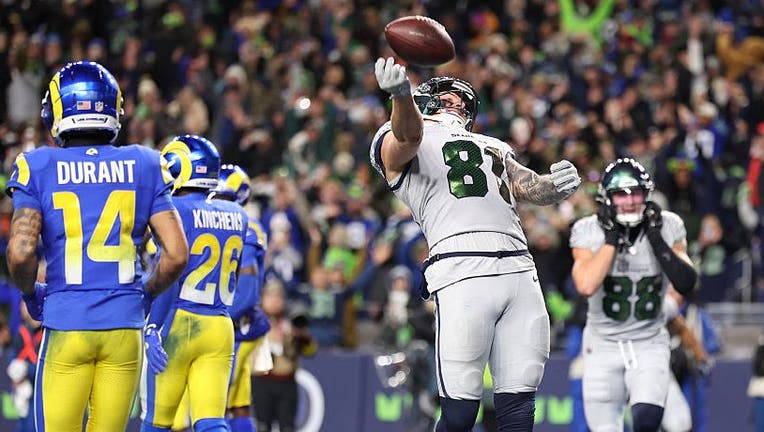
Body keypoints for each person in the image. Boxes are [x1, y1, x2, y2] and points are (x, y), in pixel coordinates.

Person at [370, 57, 581, 431]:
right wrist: (401, 97)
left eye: (463, 102)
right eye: (448, 98)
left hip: (519, 267)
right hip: (462, 267)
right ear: (426, 101)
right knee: (460, 411)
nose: (457, 105)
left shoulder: (493, 144)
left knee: (519, 404)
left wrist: (555, 185)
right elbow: (407, 139)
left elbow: (526, 185)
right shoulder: (402, 130)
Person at [5, 60, 188, 431]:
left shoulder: (37, 164)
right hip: (124, 328)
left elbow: (21, 253)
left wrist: (30, 293)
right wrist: (145, 293)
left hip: (67, 324)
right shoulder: (145, 162)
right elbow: (176, 254)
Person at [569, 158, 697, 432]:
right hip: (602, 344)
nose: (629, 201)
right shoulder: (587, 229)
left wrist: (655, 239)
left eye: (635, 193)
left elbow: (686, 282)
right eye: (620, 194)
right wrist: (611, 239)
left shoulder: (668, 225)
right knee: (605, 428)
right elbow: (586, 285)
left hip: (648, 340)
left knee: (648, 419)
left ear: (647, 194)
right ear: (606, 198)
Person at [140, 135, 248, 432]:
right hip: (219, 324)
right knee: (212, 422)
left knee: (156, 423)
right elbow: (236, 276)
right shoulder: (238, 214)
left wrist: (152, 326)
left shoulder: (175, 209)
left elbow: (171, 273)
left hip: (177, 321)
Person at [212, 164, 271, 432]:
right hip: (241, 322)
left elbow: (247, 291)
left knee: (216, 404)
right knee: (239, 404)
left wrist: (217, 319)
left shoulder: (242, 225)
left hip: (236, 323)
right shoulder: (248, 224)